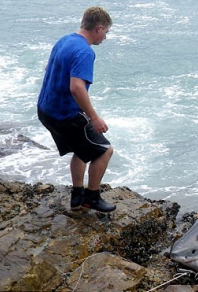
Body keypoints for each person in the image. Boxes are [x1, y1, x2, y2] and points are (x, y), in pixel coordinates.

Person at [37, 6, 116, 213]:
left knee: (81, 149)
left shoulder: (65, 40)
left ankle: (77, 194)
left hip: (46, 110)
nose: (105, 37)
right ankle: (92, 197)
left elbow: (49, 68)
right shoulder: (84, 51)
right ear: (98, 28)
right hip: (65, 115)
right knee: (105, 151)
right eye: (106, 32)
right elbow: (76, 87)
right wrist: (94, 117)